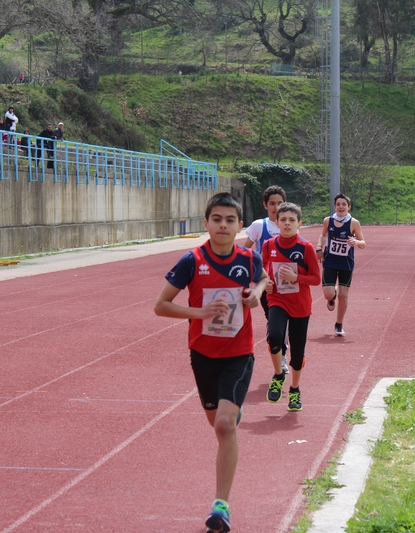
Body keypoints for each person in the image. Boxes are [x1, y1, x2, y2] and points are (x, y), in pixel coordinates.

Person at [154, 192, 267, 533]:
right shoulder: (192, 260)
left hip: (239, 352)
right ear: (206, 223)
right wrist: (197, 312)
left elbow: (261, 281)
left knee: (224, 426)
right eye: (216, 219)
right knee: (216, 423)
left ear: (239, 225)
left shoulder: (249, 259)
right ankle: (228, 415)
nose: (223, 225)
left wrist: (256, 295)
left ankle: (221, 505)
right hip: (202, 354)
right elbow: (161, 305)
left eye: (230, 220)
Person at [262, 202, 321, 412]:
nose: (287, 223)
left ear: (299, 224)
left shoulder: (305, 248)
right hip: (278, 300)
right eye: (283, 220)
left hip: (300, 304)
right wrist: (265, 282)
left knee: (298, 353)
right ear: (276, 222)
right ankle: (278, 375)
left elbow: (316, 278)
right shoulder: (269, 245)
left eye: (292, 220)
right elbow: (263, 267)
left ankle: (295, 389)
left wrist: (296, 277)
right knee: (274, 336)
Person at [242, 185, 289, 374]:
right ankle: (281, 355)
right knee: (273, 319)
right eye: (272, 203)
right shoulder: (259, 226)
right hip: (266, 283)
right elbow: (245, 252)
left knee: (284, 321)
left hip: (286, 283)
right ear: (265, 205)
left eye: (279, 203)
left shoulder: (288, 224)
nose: (276, 207)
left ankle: (282, 354)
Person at [316, 194, 365, 337]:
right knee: (328, 294)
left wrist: (356, 242)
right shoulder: (328, 221)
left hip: (346, 264)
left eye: (344, 204)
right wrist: (319, 247)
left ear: (349, 207)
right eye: (338, 204)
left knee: (344, 296)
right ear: (335, 206)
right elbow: (323, 236)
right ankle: (333, 295)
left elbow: (363, 243)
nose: (341, 207)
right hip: (330, 261)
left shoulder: (354, 223)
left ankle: (339, 324)